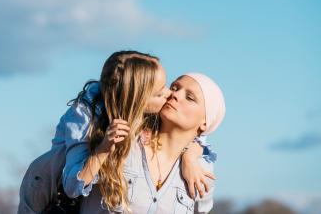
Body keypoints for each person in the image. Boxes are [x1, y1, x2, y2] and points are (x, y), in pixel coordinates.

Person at [18, 51, 215, 213]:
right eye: (161, 91)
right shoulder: (87, 115)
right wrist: (104, 147)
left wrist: (190, 154)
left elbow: (198, 134)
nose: (170, 94)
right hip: (45, 188)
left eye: (166, 85)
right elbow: (73, 186)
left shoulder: (147, 120)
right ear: (138, 100)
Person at [80, 73, 226, 214]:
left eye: (189, 97)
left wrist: (191, 154)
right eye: (174, 88)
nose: (175, 95)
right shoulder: (123, 138)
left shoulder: (202, 171)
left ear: (205, 123)